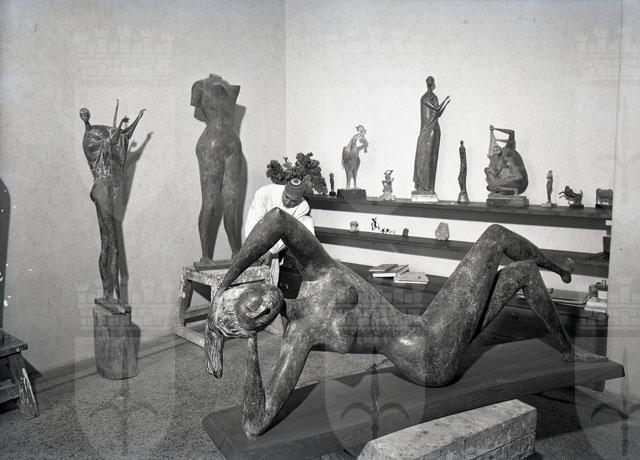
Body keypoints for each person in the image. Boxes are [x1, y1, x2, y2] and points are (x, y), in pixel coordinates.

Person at [204, 210, 606, 438]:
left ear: (250, 285)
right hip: (427, 359)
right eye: (252, 317)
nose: (259, 306)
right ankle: (560, 271)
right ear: (255, 326)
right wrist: (251, 346)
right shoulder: (300, 335)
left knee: (521, 273)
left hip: (427, 326)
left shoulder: (316, 270)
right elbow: (255, 422)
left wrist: (225, 277)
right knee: (494, 236)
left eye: (247, 299)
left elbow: (277, 220)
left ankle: (566, 337)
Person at [80, 104, 145, 303]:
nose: (85, 115)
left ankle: (108, 295)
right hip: (102, 190)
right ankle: (115, 298)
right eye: (83, 114)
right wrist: (120, 126)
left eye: (86, 113)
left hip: (102, 190)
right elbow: (112, 140)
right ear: (83, 117)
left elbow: (122, 137)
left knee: (106, 244)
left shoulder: (95, 134)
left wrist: (137, 119)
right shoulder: (90, 140)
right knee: (113, 247)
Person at [191, 74, 244, 264]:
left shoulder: (231, 87)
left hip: (233, 144)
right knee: (210, 202)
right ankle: (205, 255)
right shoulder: (200, 85)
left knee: (232, 204)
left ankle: (236, 252)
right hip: (211, 144)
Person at [244, 178, 314, 268]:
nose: (288, 202)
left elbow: (288, 233)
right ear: (284, 190)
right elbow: (253, 221)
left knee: (308, 221)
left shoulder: (303, 207)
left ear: (299, 199)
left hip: (275, 239)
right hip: (258, 235)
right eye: (286, 197)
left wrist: (271, 251)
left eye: (293, 201)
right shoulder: (264, 193)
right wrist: (253, 249)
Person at [413, 76, 450, 194]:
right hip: (426, 130)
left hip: (433, 129)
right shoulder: (424, 98)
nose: (430, 84)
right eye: (430, 83)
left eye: (431, 82)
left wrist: (444, 101)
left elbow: (436, 110)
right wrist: (446, 101)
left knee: (431, 157)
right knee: (424, 156)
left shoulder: (433, 97)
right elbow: (437, 108)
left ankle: (429, 187)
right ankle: (422, 185)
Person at [485, 125, 528, 194]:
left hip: (518, 181)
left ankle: (498, 187)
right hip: (521, 183)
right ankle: (499, 188)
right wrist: (495, 130)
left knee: (489, 175)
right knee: (489, 173)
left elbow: (497, 171)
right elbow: (511, 133)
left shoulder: (505, 153)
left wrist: (496, 129)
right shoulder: (507, 150)